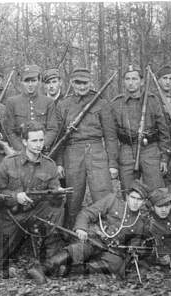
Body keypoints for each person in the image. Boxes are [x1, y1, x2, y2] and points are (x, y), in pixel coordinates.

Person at [0, 121, 65, 284]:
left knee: (57, 208)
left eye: (41, 140)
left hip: (35, 212)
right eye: (34, 141)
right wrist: (15, 196)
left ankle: (49, 261)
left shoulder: (49, 165)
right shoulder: (9, 162)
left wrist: (59, 194)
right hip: (10, 215)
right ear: (25, 141)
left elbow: (54, 194)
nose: (39, 145)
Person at [40, 181, 152, 280]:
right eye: (133, 197)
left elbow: (132, 248)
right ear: (127, 196)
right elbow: (86, 213)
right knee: (81, 249)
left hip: (110, 250)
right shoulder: (112, 201)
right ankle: (44, 268)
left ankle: (69, 270)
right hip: (94, 239)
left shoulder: (140, 223)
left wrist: (128, 256)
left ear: (143, 202)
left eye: (139, 199)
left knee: (116, 263)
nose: (135, 202)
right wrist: (81, 228)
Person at [54, 67, 118, 229]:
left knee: (103, 194)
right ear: (71, 83)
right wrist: (60, 163)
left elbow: (110, 136)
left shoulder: (102, 103)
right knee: (73, 197)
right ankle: (70, 233)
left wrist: (112, 164)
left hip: (96, 151)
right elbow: (59, 138)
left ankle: (109, 231)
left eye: (85, 83)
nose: (82, 87)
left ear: (91, 82)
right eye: (77, 83)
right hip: (73, 153)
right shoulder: (63, 105)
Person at [111, 64, 171, 191]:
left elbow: (164, 131)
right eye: (127, 79)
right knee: (128, 192)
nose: (131, 83)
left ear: (142, 81)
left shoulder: (152, 100)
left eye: (134, 79)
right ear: (124, 82)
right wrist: (114, 162)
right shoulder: (116, 103)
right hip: (126, 151)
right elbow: (111, 135)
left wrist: (164, 157)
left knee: (157, 192)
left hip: (150, 150)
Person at [4, 65, 58, 152]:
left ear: (39, 81)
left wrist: (41, 146)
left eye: (33, 81)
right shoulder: (12, 102)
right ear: (21, 82)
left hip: (42, 151)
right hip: (20, 152)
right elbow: (9, 131)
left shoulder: (48, 102)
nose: (30, 84)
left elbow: (52, 129)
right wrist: (21, 149)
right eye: (26, 81)